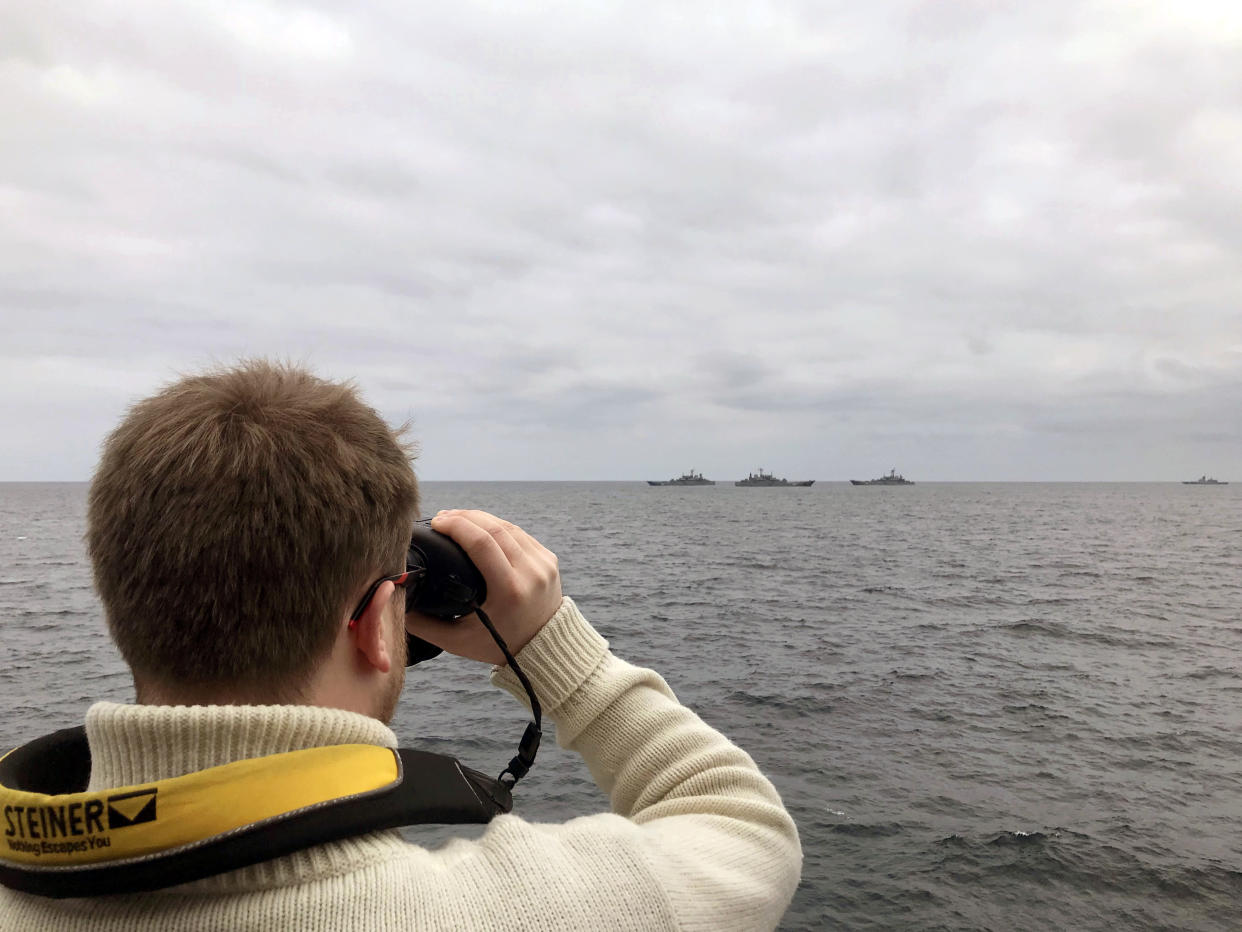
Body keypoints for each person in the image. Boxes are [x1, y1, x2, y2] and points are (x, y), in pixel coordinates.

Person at [0, 360, 801, 930]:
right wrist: (560, 652)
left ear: (121, 600)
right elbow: (744, 832)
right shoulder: (506, 913)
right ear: (377, 623)